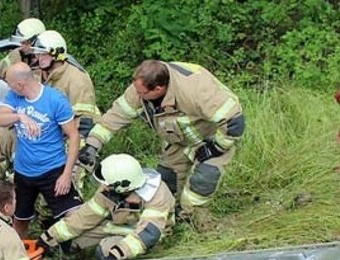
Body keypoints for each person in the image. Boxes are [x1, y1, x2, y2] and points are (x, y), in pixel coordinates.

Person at [82, 60, 245, 227]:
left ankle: (195, 218)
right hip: (177, 140)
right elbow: (116, 116)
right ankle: (169, 220)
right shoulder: (141, 87)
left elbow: (234, 120)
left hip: (211, 136)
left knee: (203, 180)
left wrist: (217, 146)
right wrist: (92, 144)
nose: (138, 97)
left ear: (158, 89)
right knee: (166, 185)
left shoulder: (195, 89)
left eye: (142, 94)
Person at [38, 154, 175, 260]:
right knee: (72, 240)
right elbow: (84, 217)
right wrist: (49, 237)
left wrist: (116, 254)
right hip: (119, 227)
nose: (105, 187)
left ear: (123, 186)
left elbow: (148, 235)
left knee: (105, 250)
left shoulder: (157, 195)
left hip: (147, 237)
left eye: (108, 184)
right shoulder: (111, 189)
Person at [0, 62, 83, 238]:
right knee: (20, 218)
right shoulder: (14, 97)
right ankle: (18, 254)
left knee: (73, 215)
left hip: (53, 169)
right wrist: (19, 116)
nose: (9, 88)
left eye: (9, 84)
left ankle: (71, 251)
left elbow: (74, 136)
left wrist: (66, 174)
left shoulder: (55, 100)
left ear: (20, 84)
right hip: (23, 172)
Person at [31, 30, 100, 164]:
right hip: (48, 132)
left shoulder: (77, 79)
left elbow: (85, 121)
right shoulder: (39, 74)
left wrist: (76, 151)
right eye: (37, 53)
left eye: (42, 53)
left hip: (75, 132)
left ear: (56, 54)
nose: (38, 57)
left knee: (72, 172)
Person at [0, 18, 45, 85]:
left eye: (25, 43)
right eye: (21, 43)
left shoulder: (48, 60)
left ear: (36, 42)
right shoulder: (18, 55)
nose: (22, 47)